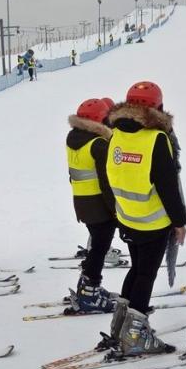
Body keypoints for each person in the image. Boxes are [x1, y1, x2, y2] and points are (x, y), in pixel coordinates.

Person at [105, 81, 186, 357]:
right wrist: (179, 221)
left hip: (127, 217)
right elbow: (167, 186)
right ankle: (135, 334)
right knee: (145, 275)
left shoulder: (116, 135)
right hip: (152, 222)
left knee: (136, 270)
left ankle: (120, 325)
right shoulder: (156, 139)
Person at [66, 99, 117, 314]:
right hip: (99, 204)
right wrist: (115, 208)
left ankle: (88, 287)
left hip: (82, 202)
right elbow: (107, 182)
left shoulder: (73, 138)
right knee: (99, 248)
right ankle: (89, 292)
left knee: (96, 246)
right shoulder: (98, 144)